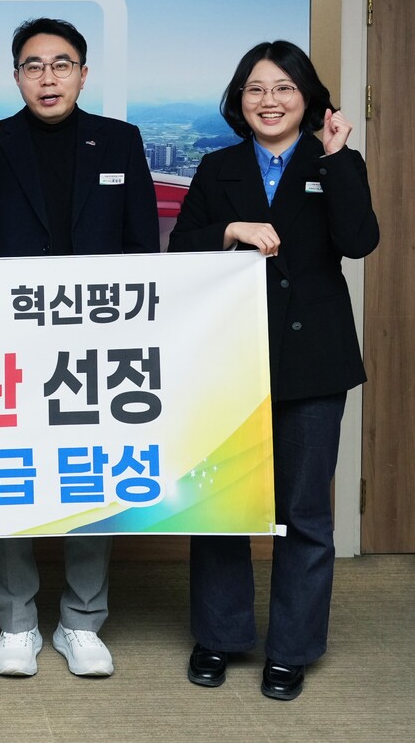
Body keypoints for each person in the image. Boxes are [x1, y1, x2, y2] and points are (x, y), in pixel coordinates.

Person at [0, 17, 157, 680]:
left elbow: (141, 245)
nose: (48, 77)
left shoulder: (119, 141)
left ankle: (81, 620)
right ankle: (17, 620)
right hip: (14, 339)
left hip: (98, 341)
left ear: (83, 74)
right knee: (9, 474)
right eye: (33, 66)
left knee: (90, 474)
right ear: (17, 77)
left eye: (61, 64)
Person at [169, 40, 378, 701]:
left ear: (308, 98)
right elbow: (180, 250)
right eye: (256, 88)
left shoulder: (333, 161)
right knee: (223, 504)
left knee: (305, 511)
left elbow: (360, 240)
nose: (269, 100)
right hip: (228, 357)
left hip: (314, 360)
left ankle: (291, 648)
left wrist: (338, 158)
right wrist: (231, 229)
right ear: (239, 100)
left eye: (284, 87)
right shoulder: (218, 166)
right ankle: (219, 635)